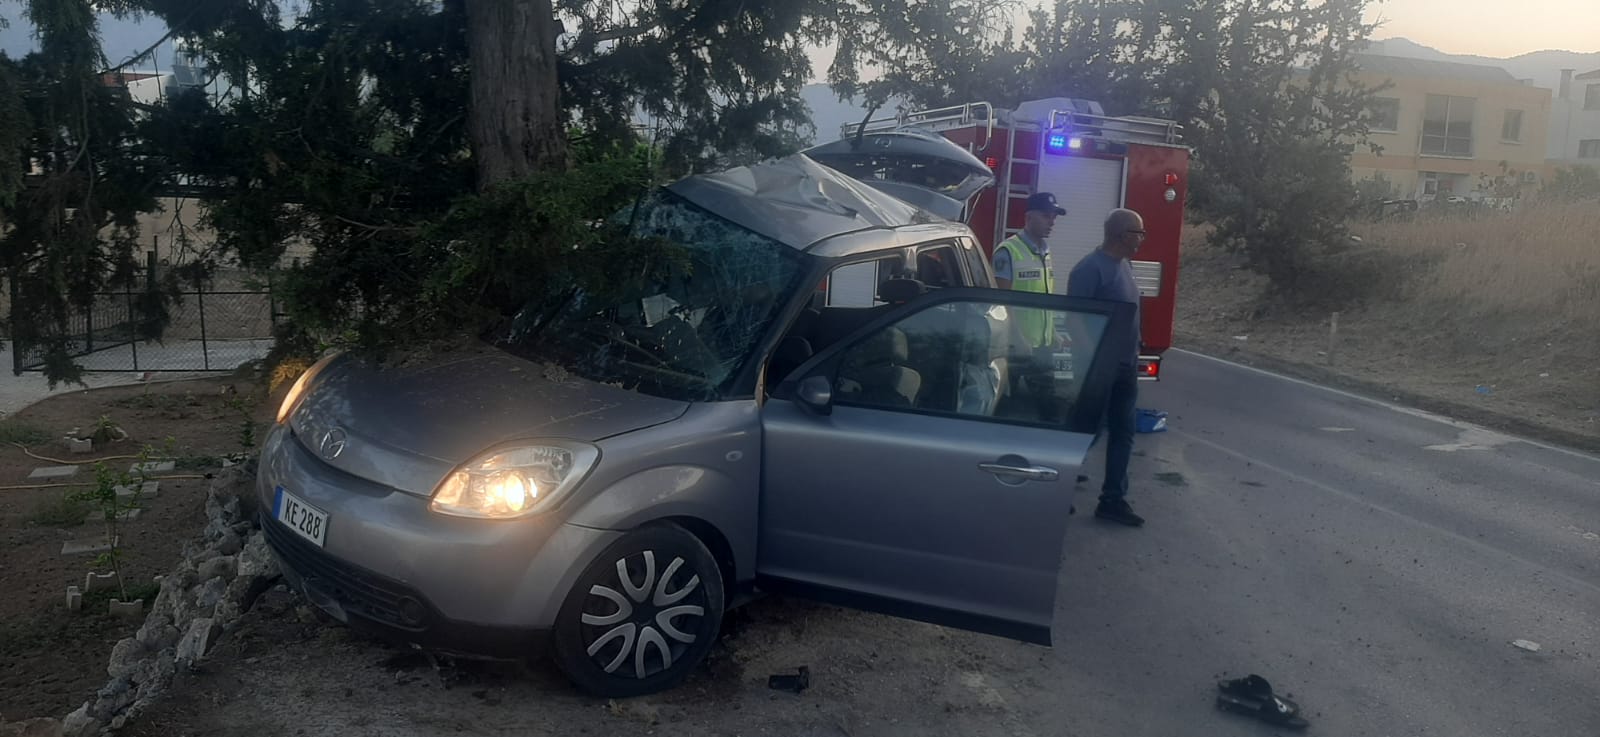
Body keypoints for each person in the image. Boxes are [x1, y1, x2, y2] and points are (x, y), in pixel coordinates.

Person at [1067, 208, 1147, 528]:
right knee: (1088, 431)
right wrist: (1095, 360)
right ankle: (1056, 488)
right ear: (1121, 235)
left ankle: (1112, 500)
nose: (1142, 239)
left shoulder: (1125, 265)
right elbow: (1075, 320)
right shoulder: (1089, 269)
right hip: (1100, 369)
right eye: (1138, 233)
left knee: (1123, 433)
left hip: (1126, 366)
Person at [993, 192, 1066, 349]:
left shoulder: (1045, 253)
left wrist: (1053, 332)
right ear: (1029, 217)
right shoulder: (1008, 251)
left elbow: (1045, 300)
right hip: (1019, 347)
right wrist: (1017, 338)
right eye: (1046, 216)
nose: (1052, 222)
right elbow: (1002, 303)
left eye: (1054, 217)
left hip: (1043, 344)